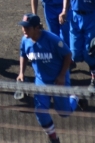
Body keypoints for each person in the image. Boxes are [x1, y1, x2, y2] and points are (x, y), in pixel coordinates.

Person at [17, 14, 85, 143]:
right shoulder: (25, 40)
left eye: (27, 27)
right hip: (41, 81)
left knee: (64, 113)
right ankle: (53, 138)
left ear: (37, 28)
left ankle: (75, 95)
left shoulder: (52, 40)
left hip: (58, 80)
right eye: (23, 27)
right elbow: (23, 55)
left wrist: (61, 76)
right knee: (40, 111)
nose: (24, 30)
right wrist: (21, 73)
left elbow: (68, 55)